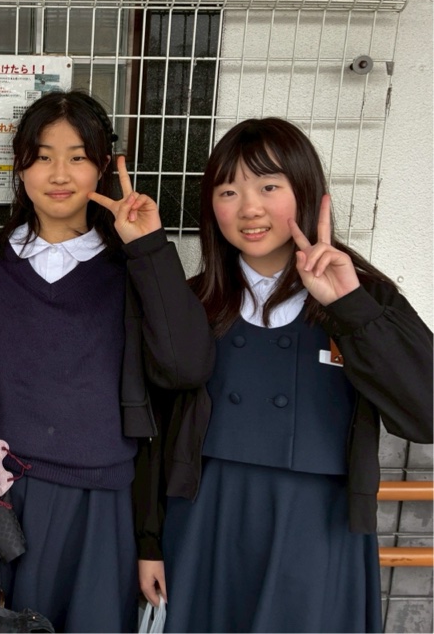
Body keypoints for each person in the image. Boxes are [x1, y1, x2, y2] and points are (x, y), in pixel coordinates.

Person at [0, 90, 215, 633]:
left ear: (103, 167)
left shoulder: (132, 268)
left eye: (78, 157)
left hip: (95, 507)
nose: (59, 173)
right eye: (43, 156)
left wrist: (150, 247)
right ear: (20, 167)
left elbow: (186, 367)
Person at [137, 117, 433, 633]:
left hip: (317, 525)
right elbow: (152, 435)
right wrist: (149, 542)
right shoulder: (193, 302)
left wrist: (350, 307)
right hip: (204, 520)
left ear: (306, 191)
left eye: (269, 187)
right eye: (229, 192)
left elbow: (426, 413)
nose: (249, 209)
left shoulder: (364, 296)